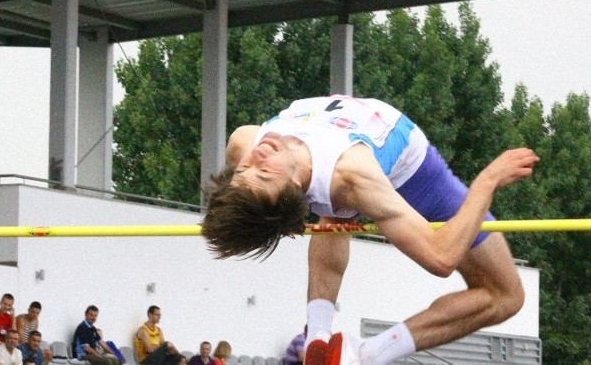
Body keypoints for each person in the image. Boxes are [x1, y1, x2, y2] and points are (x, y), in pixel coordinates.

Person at [202, 95, 539, 365]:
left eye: (246, 170)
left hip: (347, 161)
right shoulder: (352, 177)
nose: (257, 157)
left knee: (333, 207)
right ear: (293, 186)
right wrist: (489, 179)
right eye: (264, 174)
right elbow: (441, 256)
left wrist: (261, 200)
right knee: (506, 296)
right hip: (416, 177)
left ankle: (318, 336)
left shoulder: (243, 143)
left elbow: (257, 184)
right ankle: (371, 353)